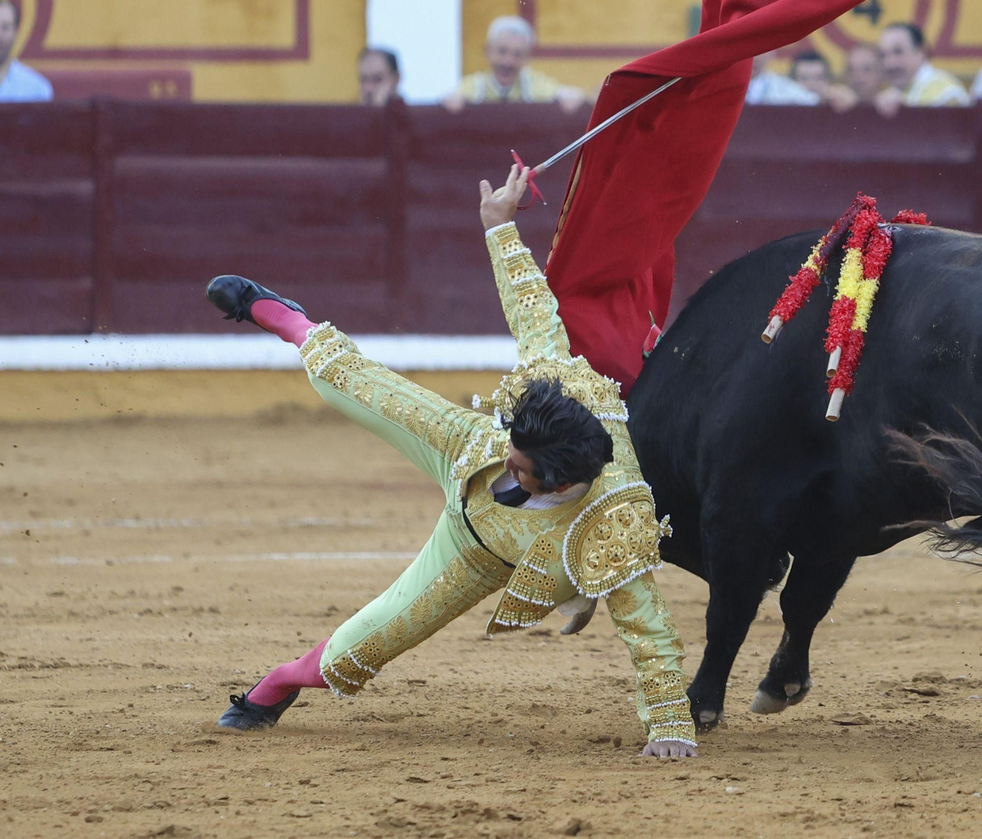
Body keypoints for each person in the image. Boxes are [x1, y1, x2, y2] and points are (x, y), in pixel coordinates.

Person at [205, 164, 697, 759]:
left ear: (566, 483)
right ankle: (281, 315)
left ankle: (278, 683)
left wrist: (670, 723)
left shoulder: (614, 520)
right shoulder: (558, 387)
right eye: (517, 451)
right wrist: (499, 228)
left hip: (479, 555)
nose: (512, 470)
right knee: (355, 382)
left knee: (361, 648)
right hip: (465, 445)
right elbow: (533, 310)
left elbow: (648, 628)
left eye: (523, 472)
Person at [443, 16, 588, 113]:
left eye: (517, 54)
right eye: (502, 51)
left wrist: (570, 96)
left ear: (527, 57)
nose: (508, 61)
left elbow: (567, 94)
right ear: (488, 51)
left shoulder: (534, 84)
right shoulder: (473, 86)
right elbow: (452, 99)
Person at [875, 22, 971, 114]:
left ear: (921, 52)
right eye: (883, 55)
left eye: (898, 52)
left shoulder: (946, 95)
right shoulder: (888, 96)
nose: (890, 64)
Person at [745, 51, 821, 105]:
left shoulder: (790, 91)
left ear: (772, 51)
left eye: (758, 49)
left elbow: (812, 104)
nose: (753, 57)